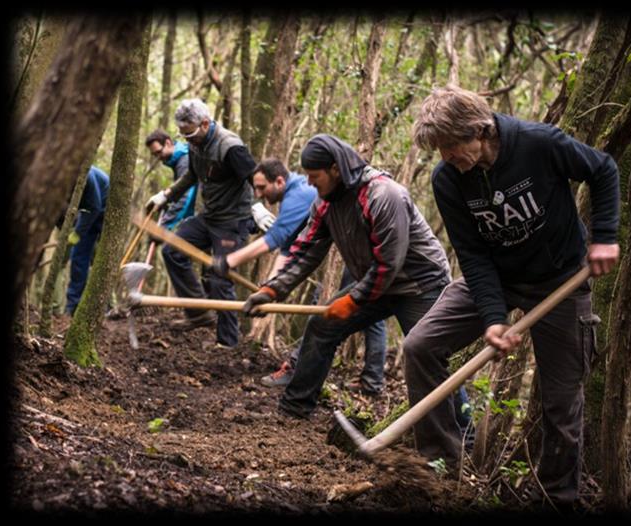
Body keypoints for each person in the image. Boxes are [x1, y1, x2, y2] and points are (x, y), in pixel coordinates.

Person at [407, 84, 619, 506]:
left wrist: (605, 237)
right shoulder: (447, 179)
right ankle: (439, 470)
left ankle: (557, 497)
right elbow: (472, 253)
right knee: (419, 346)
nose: (446, 156)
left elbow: (603, 169)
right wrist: (492, 318)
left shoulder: (539, 143)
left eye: (451, 145)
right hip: (497, 278)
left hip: (560, 279)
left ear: (480, 131)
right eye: (440, 149)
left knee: (562, 402)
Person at [242, 135, 453, 451]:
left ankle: (460, 434)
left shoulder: (384, 195)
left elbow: (390, 261)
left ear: (335, 169)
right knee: (322, 326)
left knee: (425, 355)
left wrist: (353, 299)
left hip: (419, 283)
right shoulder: (325, 202)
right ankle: (294, 410)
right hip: (377, 278)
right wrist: (273, 290)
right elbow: (306, 250)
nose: (311, 184)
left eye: (315, 177)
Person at [211, 158, 388, 393]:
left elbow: (274, 239)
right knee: (369, 313)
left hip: (363, 254)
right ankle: (372, 380)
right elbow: (288, 248)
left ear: (280, 181)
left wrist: (228, 261)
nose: (258, 194)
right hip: (358, 254)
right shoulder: (294, 196)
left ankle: (299, 370)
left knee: (327, 315)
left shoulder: (299, 194)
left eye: (262, 188)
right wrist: (269, 288)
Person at [145, 98, 274, 348]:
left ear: (205, 124)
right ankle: (199, 313)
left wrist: (257, 208)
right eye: (183, 134)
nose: (187, 139)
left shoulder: (230, 146)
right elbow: (192, 175)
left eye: (190, 133)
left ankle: (227, 343)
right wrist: (167, 194)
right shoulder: (195, 145)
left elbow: (253, 175)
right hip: (209, 216)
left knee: (220, 276)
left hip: (233, 221)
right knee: (172, 251)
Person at [65, 166, 110, 315]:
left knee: (103, 260)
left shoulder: (87, 175)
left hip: (105, 213)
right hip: (86, 215)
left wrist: (77, 233)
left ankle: (105, 306)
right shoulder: (60, 178)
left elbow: (94, 207)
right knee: (78, 257)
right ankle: (73, 306)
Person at [145, 129, 197, 231]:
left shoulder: (184, 161)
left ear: (168, 143)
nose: (158, 157)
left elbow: (185, 197)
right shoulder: (179, 162)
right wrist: (166, 199)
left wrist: (163, 228)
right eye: (155, 155)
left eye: (159, 152)